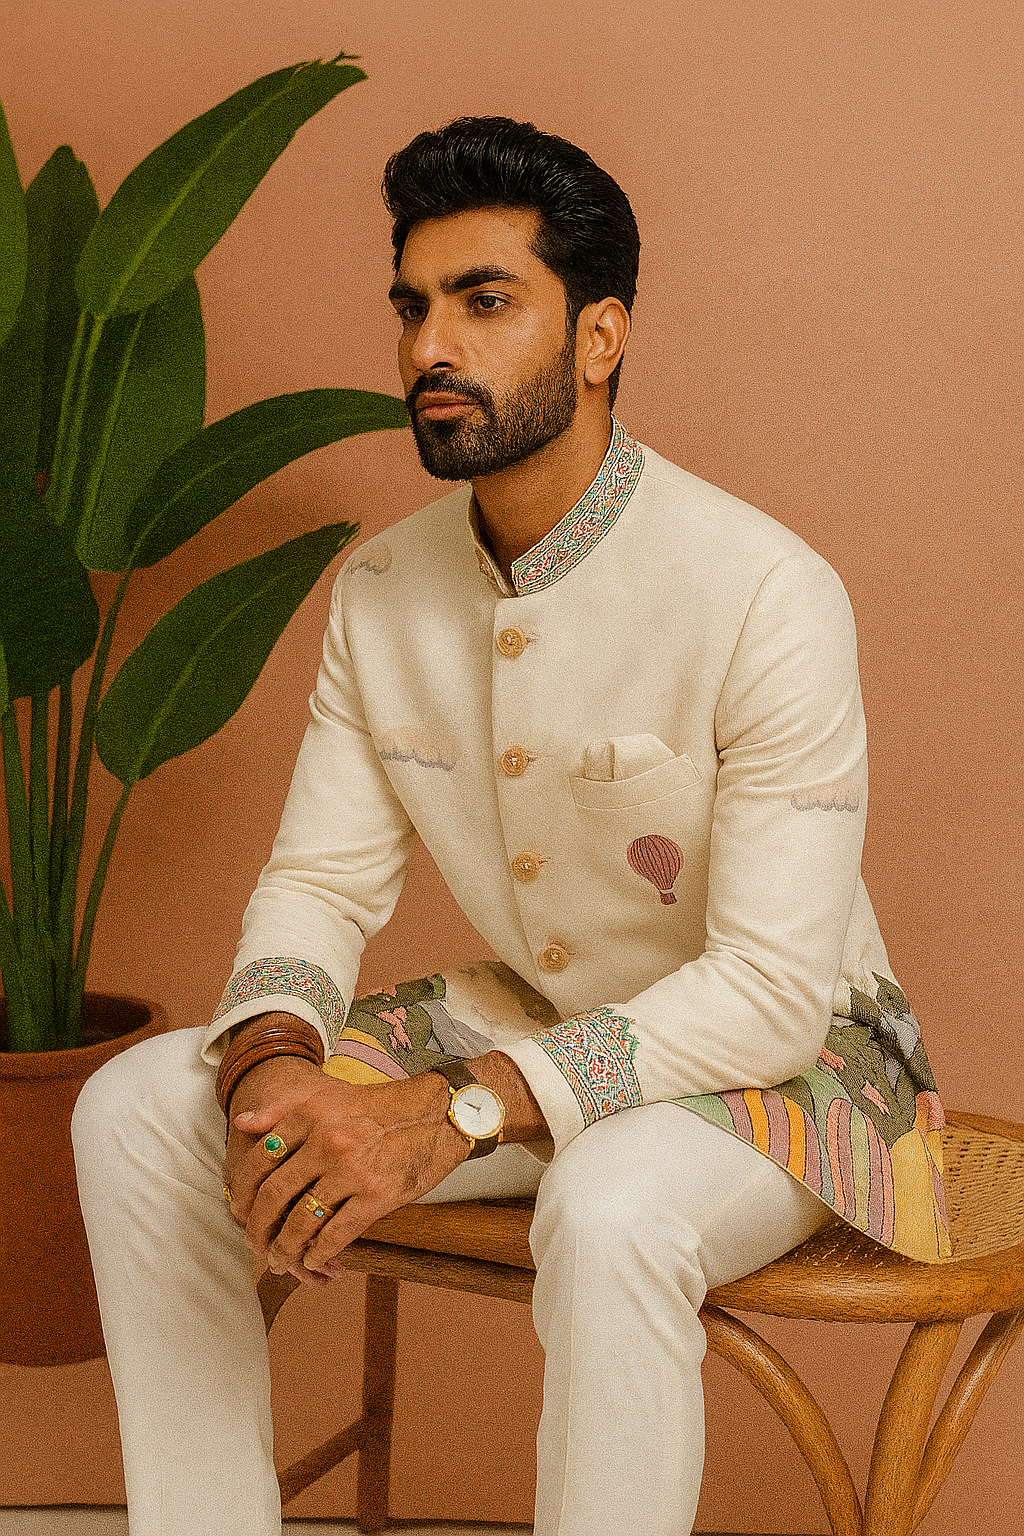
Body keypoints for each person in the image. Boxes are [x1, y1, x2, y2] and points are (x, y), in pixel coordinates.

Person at [73, 117, 949, 1536]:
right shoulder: (380, 593)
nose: (432, 346)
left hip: (792, 1072)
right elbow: (318, 883)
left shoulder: (765, 592)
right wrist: (273, 1070)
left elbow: (774, 991)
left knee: (609, 1204)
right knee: (136, 1108)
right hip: (539, 1022)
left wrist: (450, 1108)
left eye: (485, 302)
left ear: (601, 336)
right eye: (414, 306)